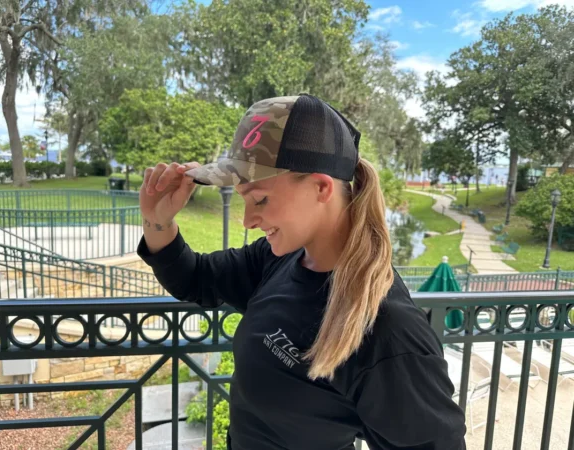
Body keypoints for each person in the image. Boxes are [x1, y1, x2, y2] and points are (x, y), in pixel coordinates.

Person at [137, 94, 467, 450]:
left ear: (321, 187)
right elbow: (195, 279)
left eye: (259, 199)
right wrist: (158, 220)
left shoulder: (388, 331)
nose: (248, 221)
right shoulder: (279, 258)